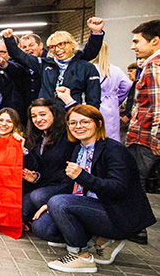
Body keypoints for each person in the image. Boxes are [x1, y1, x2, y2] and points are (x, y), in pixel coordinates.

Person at [32, 105, 155, 273]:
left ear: (98, 123)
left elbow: (117, 188)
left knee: (58, 202)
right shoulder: (79, 148)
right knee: (42, 226)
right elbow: (71, 185)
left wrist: (81, 177)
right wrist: (50, 204)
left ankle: (82, 256)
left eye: (84, 122)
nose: (78, 126)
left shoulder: (113, 150)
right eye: (73, 123)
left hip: (117, 213)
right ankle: (99, 239)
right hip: (90, 205)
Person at [3, 28, 101, 109]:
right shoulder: (44, 64)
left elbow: (93, 99)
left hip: (71, 116)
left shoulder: (86, 67)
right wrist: (9, 39)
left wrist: (90, 118)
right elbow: (19, 55)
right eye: (52, 47)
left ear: (71, 45)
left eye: (61, 45)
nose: (57, 50)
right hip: (46, 117)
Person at [21, 99, 76, 225]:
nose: (38, 119)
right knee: (19, 213)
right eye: (34, 116)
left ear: (54, 114)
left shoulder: (68, 136)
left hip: (64, 187)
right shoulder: (36, 138)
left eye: (42, 114)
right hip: (43, 185)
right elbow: (38, 168)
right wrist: (34, 177)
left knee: (37, 197)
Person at [126, 19, 160, 190]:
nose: (133, 47)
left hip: (146, 139)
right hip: (144, 137)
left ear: (155, 41)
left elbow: (158, 106)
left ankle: (135, 217)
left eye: (137, 41)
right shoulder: (150, 64)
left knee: (134, 183)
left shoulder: (155, 66)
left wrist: (156, 139)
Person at [90, 43, 132, 142]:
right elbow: (128, 85)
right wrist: (116, 99)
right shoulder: (115, 70)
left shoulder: (89, 69)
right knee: (112, 136)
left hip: (92, 104)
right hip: (112, 106)